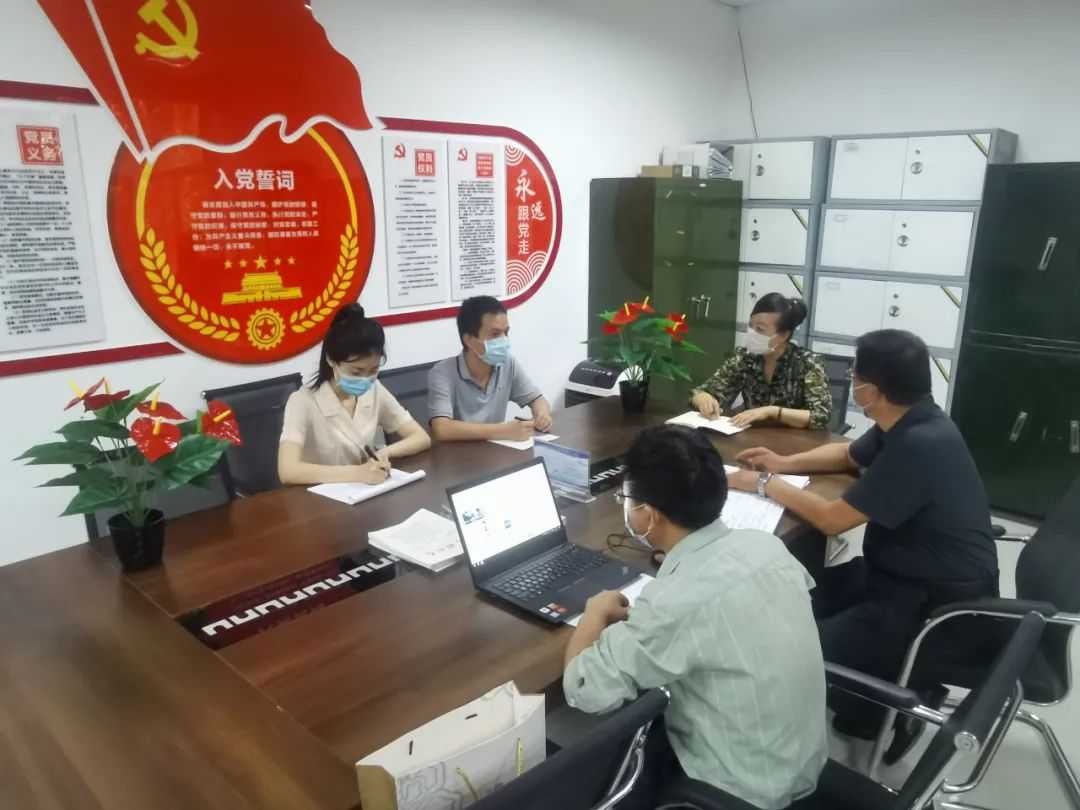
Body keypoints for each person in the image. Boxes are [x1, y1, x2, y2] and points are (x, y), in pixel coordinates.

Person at [727, 329, 998, 740]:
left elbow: (833, 520)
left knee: (789, 646)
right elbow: (848, 453)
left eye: (854, 376)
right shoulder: (913, 417)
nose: (851, 382)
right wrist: (783, 463)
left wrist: (765, 484)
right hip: (897, 577)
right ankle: (881, 694)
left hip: (936, 611)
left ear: (871, 391)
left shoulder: (920, 444)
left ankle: (892, 708)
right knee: (789, 594)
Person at [563, 425, 826, 810]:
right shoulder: (768, 547)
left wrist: (594, 612)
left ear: (650, 515)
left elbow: (583, 689)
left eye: (627, 497)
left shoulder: (673, 604)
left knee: (608, 749)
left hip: (740, 794)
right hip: (800, 762)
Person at [278, 304, 430, 485]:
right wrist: (357, 473)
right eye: (356, 371)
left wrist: (384, 453)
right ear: (331, 359)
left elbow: (420, 437)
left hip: (364, 491)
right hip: (317, 495)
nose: (365, 379)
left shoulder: (374, 389)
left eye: (373, 370)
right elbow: (288, 471)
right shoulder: (302, 401)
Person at [690, 293, 831, 430]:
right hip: (751, 438)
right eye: (750, 325)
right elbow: (701, 392)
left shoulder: (808, 363)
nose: (751, 332)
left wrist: (772, 411)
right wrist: (703, 398)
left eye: (760, 329)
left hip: (796, 441)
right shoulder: (745, 358)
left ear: (783, 336)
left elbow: (821, 416)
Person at [427, 296, 552, 441]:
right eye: (495, 334)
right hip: (458, 453)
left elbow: (537, 399)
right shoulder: (442, 373)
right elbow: (442, 428)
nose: (504, 340)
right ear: (469, 340)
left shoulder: (507, 363)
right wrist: (506, 430)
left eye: (506, 332)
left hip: (495, 451)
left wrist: (542, 414)